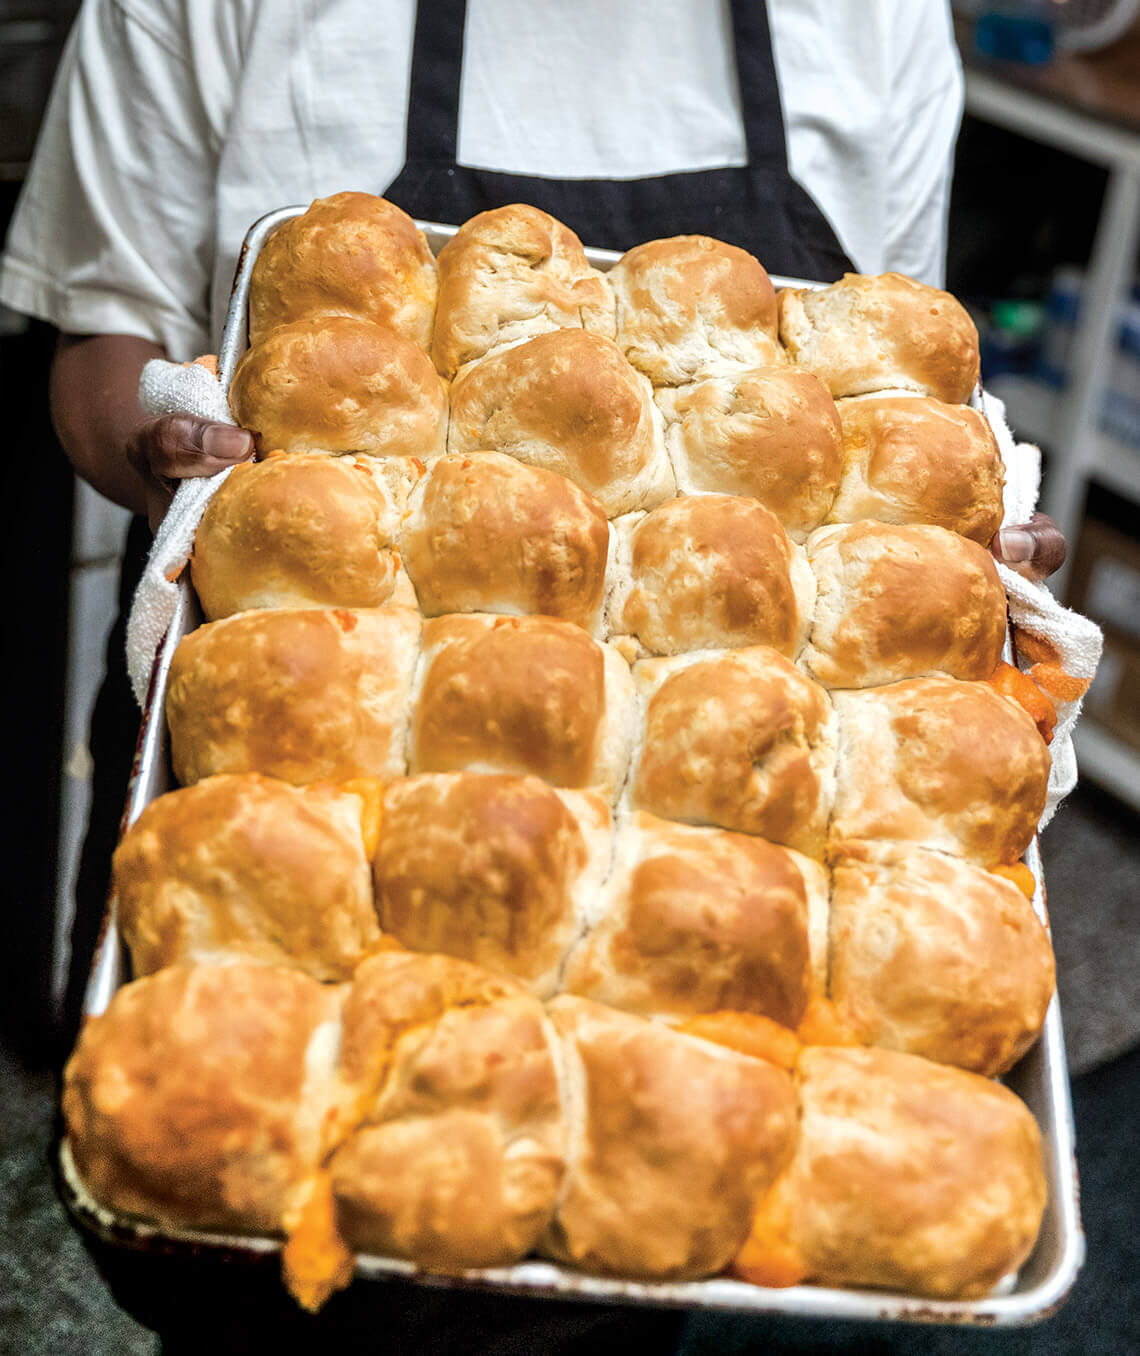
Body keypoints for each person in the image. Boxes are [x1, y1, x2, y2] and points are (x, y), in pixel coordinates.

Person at [0, 1, 1065, 1351]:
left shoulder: (875, 20)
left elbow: (892, 401)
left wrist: (972, 560)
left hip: (704, 975)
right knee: (218, 1256)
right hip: (264, 739)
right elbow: (98, 342)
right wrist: (165, 456)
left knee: (633, 1269)